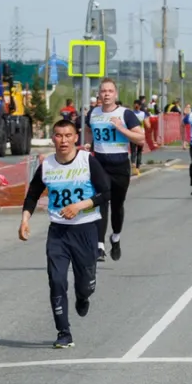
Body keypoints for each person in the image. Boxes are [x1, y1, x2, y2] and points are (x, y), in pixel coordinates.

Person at [18, 119, 109, 350]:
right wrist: (25, 219)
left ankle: (83, 296)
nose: (63, 140)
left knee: (85, 285)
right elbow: (33, 194)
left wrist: (80, 206)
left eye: (68, 135)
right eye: (59, 136)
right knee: (56, 281)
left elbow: (106, 193)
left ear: (76, 137)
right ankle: (63, 332)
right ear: (53, 139)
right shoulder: (47, 165)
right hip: (58, 232)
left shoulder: (87, 161)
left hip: (86, 229)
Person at [82, 80, 144, 263]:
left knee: (117, 206)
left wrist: (120, 127)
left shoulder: (125, 114)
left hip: (120, 164)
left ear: (115, 94)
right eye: (103, 91)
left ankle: (115, 237)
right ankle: (99, 246)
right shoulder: (93, 113)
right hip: (100, 163)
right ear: (99, 94)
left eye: (110, 91)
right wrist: (88, 143)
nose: (106, 94)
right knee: (101, 201)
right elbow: (87, 129)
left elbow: (140, 139)